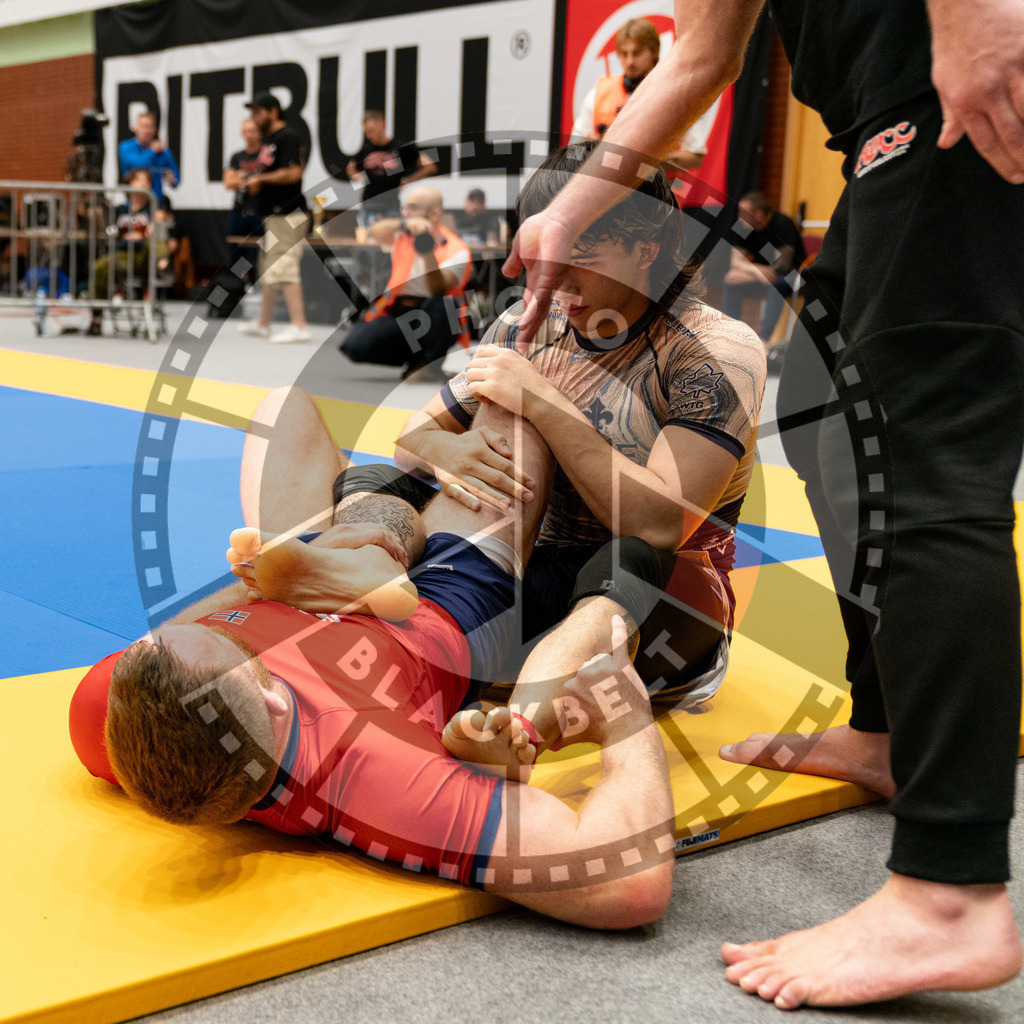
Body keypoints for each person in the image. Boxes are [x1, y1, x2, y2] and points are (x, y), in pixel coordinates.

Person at [504, 0, 1024, 1009]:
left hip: (958, 79)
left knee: (918, 447)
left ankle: (950, 888)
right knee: (831, 417)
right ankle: (887, 734)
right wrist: (571, 206)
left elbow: (655, 513)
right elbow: (701, 52)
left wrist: (979, 21)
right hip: (885, 111)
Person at [68, 385, 674, 928]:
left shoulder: (105, 708)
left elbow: (170, 644)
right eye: (241, 644)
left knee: (285, 407)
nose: (202, 626)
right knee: (513, 411)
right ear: (277, 702)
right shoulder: (373, 773)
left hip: (323, 573)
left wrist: (260, 587)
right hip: (441, 610)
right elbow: (628, 885)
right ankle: (364, 551)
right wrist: (626, 715)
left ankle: (343, 551)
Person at [393, 142, 765, 773]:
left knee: (628, 558)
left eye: (580, 257)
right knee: (380, 487)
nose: (555, 282)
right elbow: (411, 440)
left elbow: (658, 524)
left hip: (667, 602)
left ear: (647, 250)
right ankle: (317, 632)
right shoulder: (524, 324)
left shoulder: (716, 351)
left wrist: (545, 402)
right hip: (533, 573)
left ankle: (519, 730)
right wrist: (454, 451)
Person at [339, 185, 473, 380]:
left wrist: (426, 249)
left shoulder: (457, 249)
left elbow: (438, 287)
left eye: (412, 208)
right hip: (399, 310)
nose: (406, 212)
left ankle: (429, 365)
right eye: (404, 208)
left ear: (434, 214)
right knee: (353, 345)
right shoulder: (402, 235)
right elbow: (372, 233)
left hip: (431, 312)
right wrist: (403, 223)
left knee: (444, 306)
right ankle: (413, 360)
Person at [570, 18, 714, 175]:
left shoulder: (675, 95)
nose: (630, 61)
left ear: (654, 53)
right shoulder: (598, 93)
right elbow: (573, 152)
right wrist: (594, 149)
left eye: (637, 53)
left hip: (657, 196)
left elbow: (695, 157)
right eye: (624, 54)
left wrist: (645, 160)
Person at [238, 93, 311, 345]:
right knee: (270, 269)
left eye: (258, 112)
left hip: (288, 214)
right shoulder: (268, 141)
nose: (254, 118)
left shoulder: (287, 137)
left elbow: (293, 173)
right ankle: (263, 323)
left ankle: (299, 326)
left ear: (273, 111)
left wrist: (261, 179)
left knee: (285, 267)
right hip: (273, 215)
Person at [88, 168, 172, 335]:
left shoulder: (154, 206)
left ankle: (162, 262)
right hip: (123, 254)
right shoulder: (120, 210)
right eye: (139, 180)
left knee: (155, 236)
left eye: (146, 180)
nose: (144, 183)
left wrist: (154, 223)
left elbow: (163, 220)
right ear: (129, 184)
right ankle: (95, 320)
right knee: (98, 267)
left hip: (145, 256)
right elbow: (111, 232)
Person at [721, 191, 805, 342]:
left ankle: (763, 339)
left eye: (743, 212)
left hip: (790, 273)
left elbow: (783, 264)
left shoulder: (783, 224)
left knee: (776, 285)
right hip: (761, 272)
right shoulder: (741, 226)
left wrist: (754, 272)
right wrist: (757, 272)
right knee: (731, 279)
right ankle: (732, 333)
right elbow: (735, 262)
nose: (739, 216)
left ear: (758, 214)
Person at [346, 110, 438, 219]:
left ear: (382, 124)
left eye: (372, 131)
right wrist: (359, 177)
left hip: (391, 204)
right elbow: (350, 168)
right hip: (369, 203)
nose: (369, 136)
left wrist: (408, 181)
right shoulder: (366, 149)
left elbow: (430, 167)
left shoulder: (400, 148)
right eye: (366, 132)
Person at [117, 110, 179, 208]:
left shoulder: (163, 152)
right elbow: (138, 164)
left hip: (156, 203)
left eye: (149, 127)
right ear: (135, 127)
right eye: (143, 126)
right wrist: (153, 150)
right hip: (133, 205)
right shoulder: (126, 147)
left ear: (155, 129)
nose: (146, 130)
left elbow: (176, 176)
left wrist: (173, 179)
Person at [223, 117, 265, 244]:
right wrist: (252, 178)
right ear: (242, 133)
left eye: (253, 131)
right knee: (236, 249)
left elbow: (258, 185)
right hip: (239, 209)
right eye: (246, 131)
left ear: (259, 132)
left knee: (263, 250)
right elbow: (228, 183)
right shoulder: (237, 157)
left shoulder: (265, 155)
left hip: (261, 210)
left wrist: (241, 176)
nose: (249, 135)